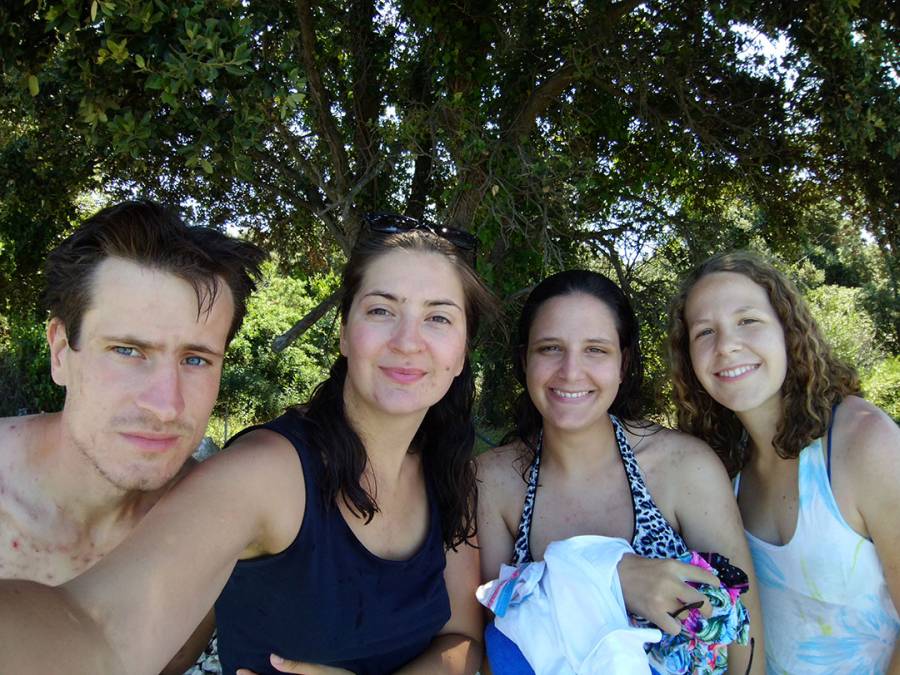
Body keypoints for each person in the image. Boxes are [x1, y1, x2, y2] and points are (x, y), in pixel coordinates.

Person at [0, 213, 495, 675]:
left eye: (439, 318)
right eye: (382, 310)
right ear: (344, 335)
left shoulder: (449, 472)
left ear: (461, 353)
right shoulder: (264, 473)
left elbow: (463, 639)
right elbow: (100, 629)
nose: (407, 341)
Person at [0, 200, 266, 673]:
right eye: (127, 350)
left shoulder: (222, 522)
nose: (166, 405)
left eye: (196, 360)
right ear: (60, 352)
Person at [476, 269, 762, 674]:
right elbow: (497, 632)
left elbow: (744, 643)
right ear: (525, 361)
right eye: (550, 348)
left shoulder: (684, 468)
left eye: (595, 349)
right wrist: (613, 578)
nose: (571, 371)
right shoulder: (494, 481)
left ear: (623, 363)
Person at [668, 250, 900, 674]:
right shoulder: (719, 468)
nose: (726, 345)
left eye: (747, 320)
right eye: (705, 332)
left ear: (787, 330)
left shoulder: (865, 442)